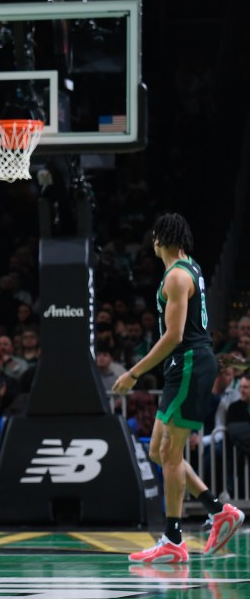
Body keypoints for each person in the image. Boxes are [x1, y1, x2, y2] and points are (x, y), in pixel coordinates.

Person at [113, 213, 244, 562]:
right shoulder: (192, 267)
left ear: (161, 240)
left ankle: (173, 539)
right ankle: (217, 510)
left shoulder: (176, 277)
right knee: (158, 450)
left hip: (189, 363)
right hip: (184, 366)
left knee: (170, 453)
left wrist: (134, 373)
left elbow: (172, 335)